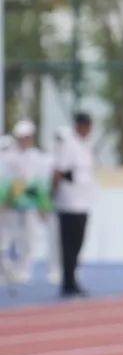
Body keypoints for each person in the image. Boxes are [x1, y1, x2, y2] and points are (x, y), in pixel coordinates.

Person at [0, 120, 57, 288]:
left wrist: (42, 205)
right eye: (22, 137)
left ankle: (24, 270)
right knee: (7, 238)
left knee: (29, 240)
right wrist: (6, 200)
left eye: (27, 137)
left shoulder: (37, 158)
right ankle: (6, 270)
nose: (24, 140)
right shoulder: (8, 157)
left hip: (30, 205)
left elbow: (39, 184)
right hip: (10, 206)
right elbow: (6, 182)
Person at [52, 112, 97, 297]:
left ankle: (72, 279)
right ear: (79, 126)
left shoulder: (85, 147)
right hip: (68, 202)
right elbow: (59, 172)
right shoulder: (68, 145)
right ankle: (68, 283)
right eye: (86, 126)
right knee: (68, 245)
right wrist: (50, 196)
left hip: (83, 203)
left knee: (78, 243)